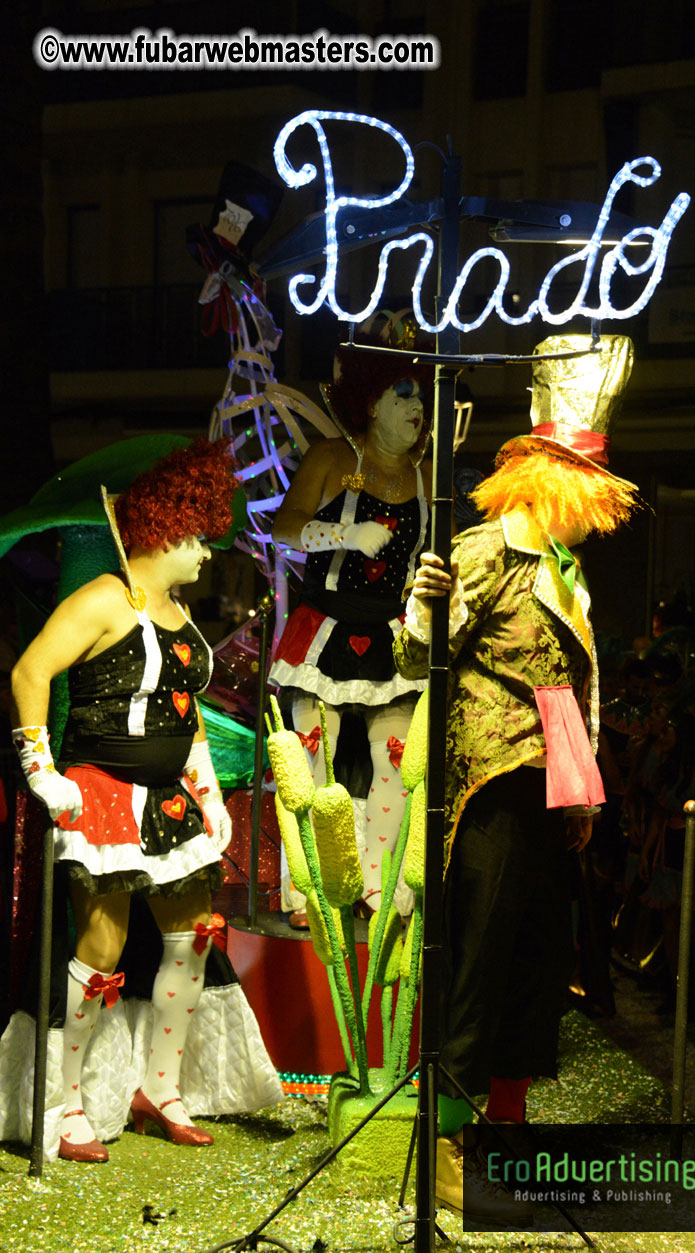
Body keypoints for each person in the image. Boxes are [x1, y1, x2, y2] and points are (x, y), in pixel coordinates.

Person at [393, 334, 639, 1221]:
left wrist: (582, 789)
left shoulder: (567, 572)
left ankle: (506, 1130)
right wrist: (424, 606)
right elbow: (420, 652)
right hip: (490, 788)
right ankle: (448, 1147)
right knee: (478, 965)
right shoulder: (483, 552)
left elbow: (576, 686)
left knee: (536, 968)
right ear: (553, 482)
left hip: (549, 788)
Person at [0, 438, 282, 1162]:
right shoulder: (102, 599)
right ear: (163, 528)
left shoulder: (183, 613)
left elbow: (184, 720)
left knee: (191, 938)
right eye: (197, 536)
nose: (206, 552)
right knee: (101, 946)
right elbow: (30, 672)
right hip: (102, 797)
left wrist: (210, 792)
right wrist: (41, 770)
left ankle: (160, 1088)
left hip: (169, 802)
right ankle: (63, 1103)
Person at [270, 325, 434, 917]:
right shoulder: (332, 458)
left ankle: (381, 887)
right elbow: (283, 530)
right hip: (324, 633)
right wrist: (343, 534)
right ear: (371, 402)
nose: (418, 408)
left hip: (392, 639)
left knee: (395, 766)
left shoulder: (426, 478)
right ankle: (309, 890)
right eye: (404, 393)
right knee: (316, 763)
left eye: (422, 397)